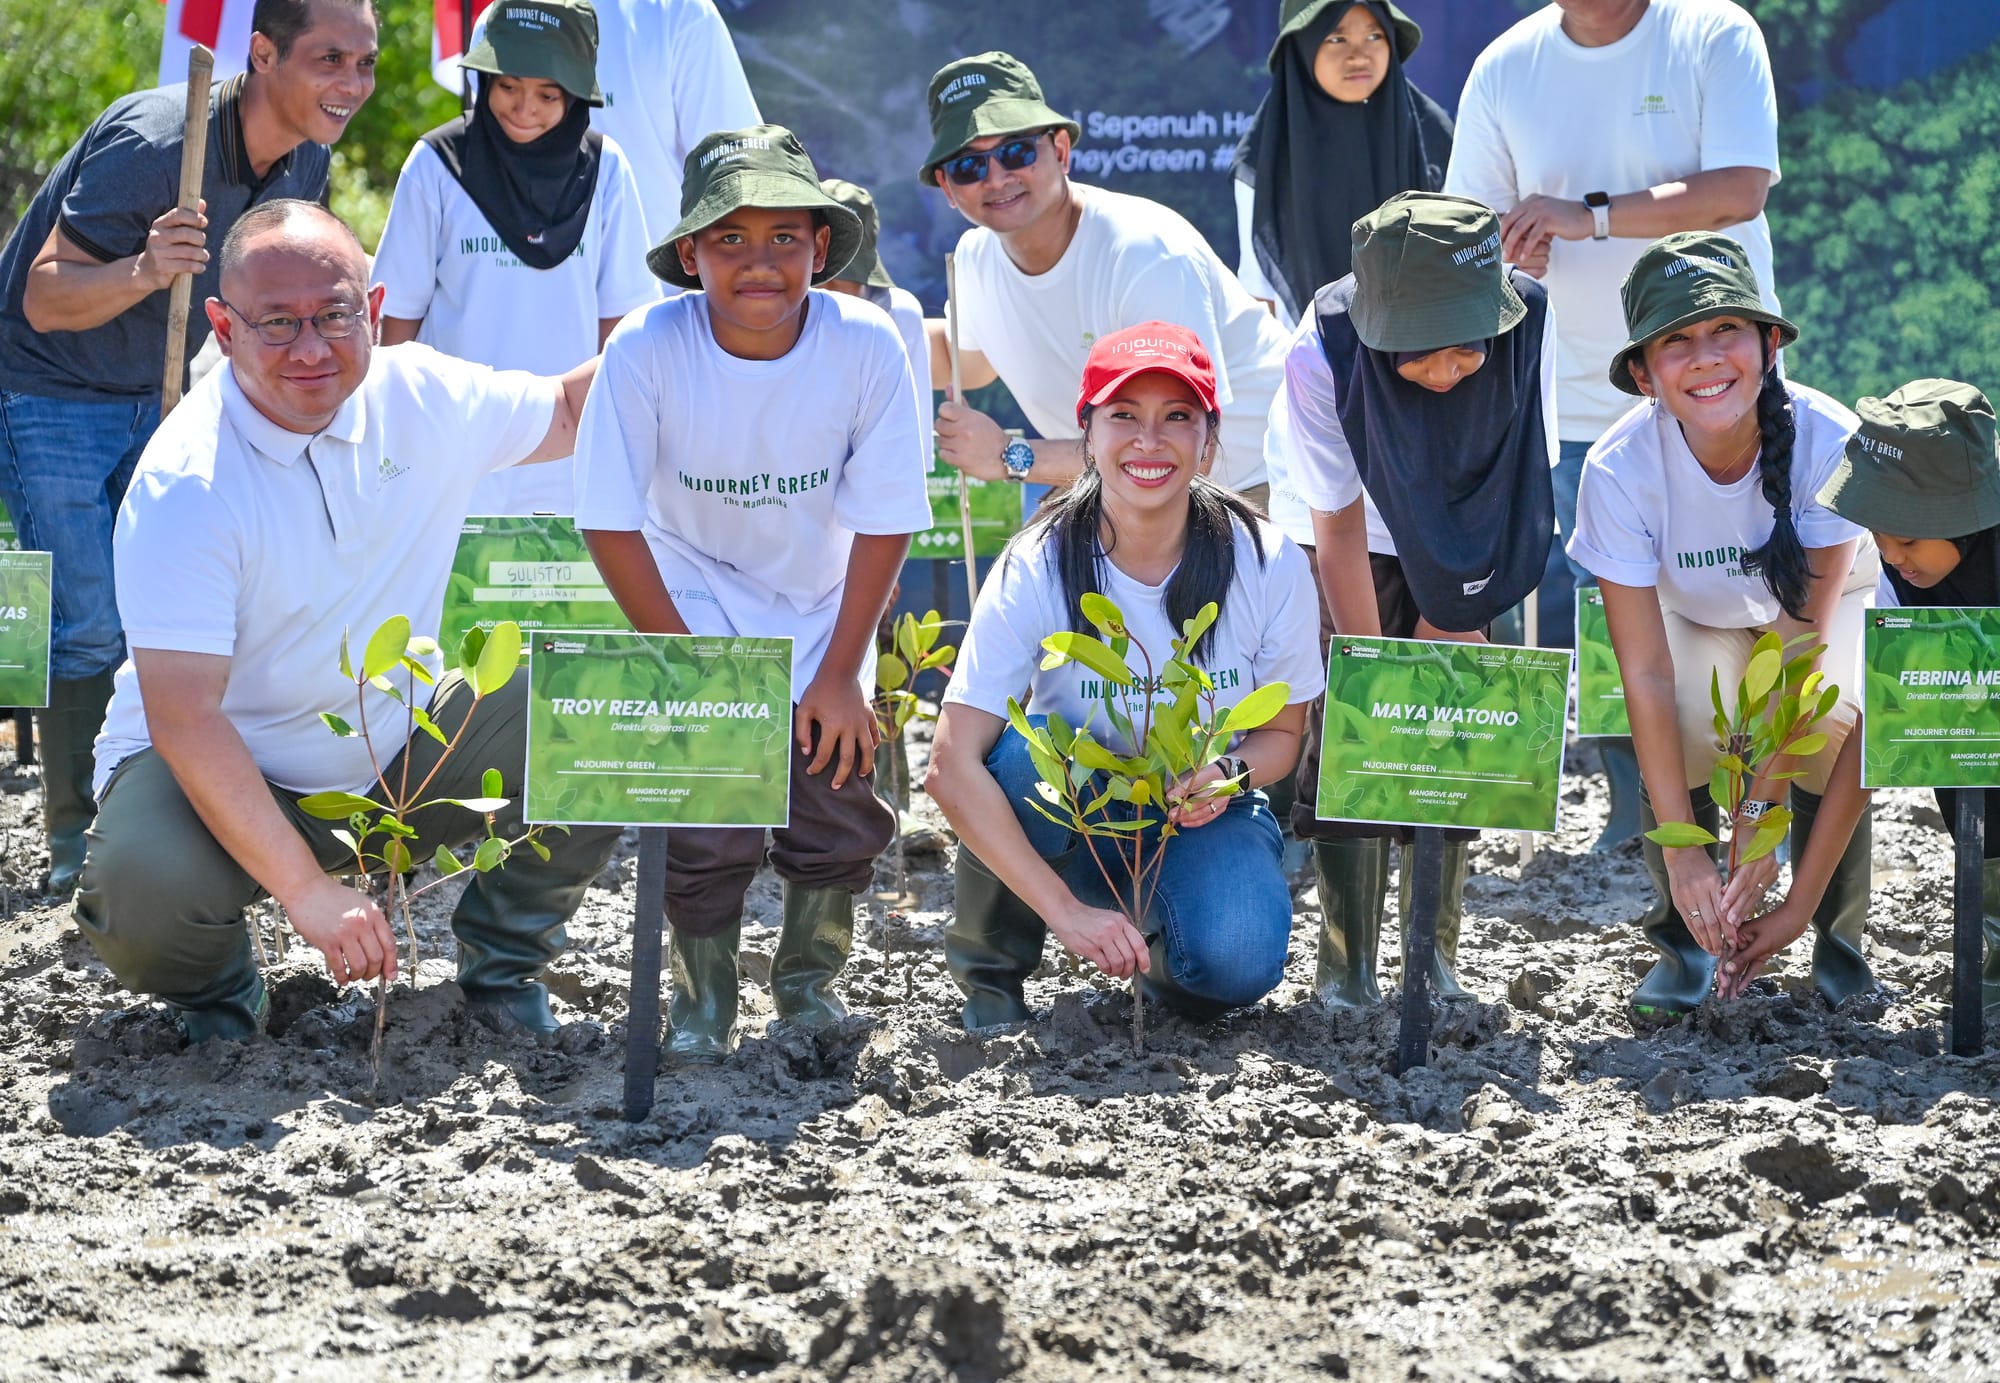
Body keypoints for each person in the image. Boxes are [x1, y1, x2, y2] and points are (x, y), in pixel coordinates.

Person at [71, 200, 621, 1043]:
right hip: (213, 768)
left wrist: (702, 321)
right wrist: (307, 890)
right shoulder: (188, 482)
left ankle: (504, 969)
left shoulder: (423, 391)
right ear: (222, 325)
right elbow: (186, 718)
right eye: (277, 323)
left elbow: (572, 411)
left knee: (587, 710)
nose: (310, 347)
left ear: (373, 310)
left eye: (333, 314)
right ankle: (222, 992)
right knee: (139, 890)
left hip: (395, 749)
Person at [0, 0, 378, 895]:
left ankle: (156, 809)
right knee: (87, 614)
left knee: (163, 611)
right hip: (48, 388)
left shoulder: (306, 162)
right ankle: (73, 837)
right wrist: (144, 268)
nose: (352, 85)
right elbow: (42, 299)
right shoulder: (157, 142)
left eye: (364, 64)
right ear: (262, 53)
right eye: (331, 59)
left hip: (162, 392)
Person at [574, 125, 932, 1059]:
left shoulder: (867, 345)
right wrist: (691, 668)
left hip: (824, 609)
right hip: (690, 598)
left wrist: (844, 673)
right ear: (690, 254)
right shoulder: (647, 349)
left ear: (822, 245)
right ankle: (704, 1002)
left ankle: (807, 988)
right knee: (707, 816)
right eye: (730, 238)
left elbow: (888, 517)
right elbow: (609, 521)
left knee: (836, 799)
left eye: (785, 237)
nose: (760, 262)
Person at [1445, 0, 1782, 851]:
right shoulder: (1504, 65)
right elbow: (1468, 229)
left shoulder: (1714, 31)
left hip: (1720, 396)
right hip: (1568, 399)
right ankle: (1638, 815)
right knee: (1606, 619)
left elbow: (1739, 189)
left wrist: (1584, 214)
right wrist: (1502, 246)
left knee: (1744, 605)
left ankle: (1752, 811)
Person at [926, 322, 1323, 1029]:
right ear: (1087, 436)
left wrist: (1228, 774)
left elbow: (1282, 734)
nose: (1150, 441)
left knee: (1238, 957)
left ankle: (1155, 955)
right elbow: (949, 761)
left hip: (1193, 815)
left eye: (1177, 416)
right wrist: (1065, 912)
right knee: (1019, 754)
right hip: (1072, 808)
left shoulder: (1268, 561)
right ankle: (992, 975)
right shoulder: (1039, 561)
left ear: (1209, 439)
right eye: (1123, 416)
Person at [1569, 232, 1879, 1018]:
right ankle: (1686, 942)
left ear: (1770, 343)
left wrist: (1757, 821)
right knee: (1683, 717)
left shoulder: (1827, 437)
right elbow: (1641, 669)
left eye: (1726, 331)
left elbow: (1798, 646)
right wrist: (1686, 852)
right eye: (1676, 342)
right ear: (1643, 374)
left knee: (1833, 716)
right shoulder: (1616, 469)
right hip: (1701, 618)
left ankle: (1834, 943)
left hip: (1825, 617)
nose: (1706, 358)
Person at [1278, 191, 1558, 1006]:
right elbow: (1336, 526)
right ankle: (1347, 964)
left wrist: (1449, 622)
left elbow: (1508, 482)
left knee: (1453, 732)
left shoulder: (1526, 324)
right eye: (1417, 354)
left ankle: (1433, 954)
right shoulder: (1320, 351)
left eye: (1462, 352)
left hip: (1473, 543)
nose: (1442, 371)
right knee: (1354, 742)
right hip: (1355, 541)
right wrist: (1374, 673)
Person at [1722, 381, 2000, 1032]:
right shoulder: (1907, 576)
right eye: (1881, 535)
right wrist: (1797, 908)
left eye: (1905, 538)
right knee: (1974, 804)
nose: (1893, 556)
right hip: (1970, 751)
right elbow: (1884, 727)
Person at [919, 51, 1292, 507]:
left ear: (1060, 151)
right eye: (968, 166)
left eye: (1015, 152)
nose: (997, 178)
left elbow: (1184, 452)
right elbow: (966, 361)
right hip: (1121, 486)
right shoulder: (976, 258)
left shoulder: (1145, 252)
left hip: (1257, 486)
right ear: (948, 186)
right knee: (1020, 576)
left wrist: (1009, 456)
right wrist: (854, 324)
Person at [372, 0, 656, 517]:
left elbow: (624, 327)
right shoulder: (436, 165)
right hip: (450, 450)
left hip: (571, 459)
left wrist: (619, 450)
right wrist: (392, 445)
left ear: (576, 95)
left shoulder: (608, 170)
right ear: (484, 79)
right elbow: (394, 324)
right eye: (508, 87)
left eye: (548, 94)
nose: (525, 108)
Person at [463, 0, 761, 245]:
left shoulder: (680, 12)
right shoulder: (500, 20)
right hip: (534, 293)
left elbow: (737, 176)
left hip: (661, 300)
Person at [1233, 0, 1454, 328]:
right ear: (1303, 47)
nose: (1359, 55)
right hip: (1310, 358)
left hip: (1426, 353)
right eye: (1336, 39)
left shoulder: (1432, 133)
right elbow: (1260, 291)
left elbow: (1463, 259)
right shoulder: (1263, 156)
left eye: (1375, 36)